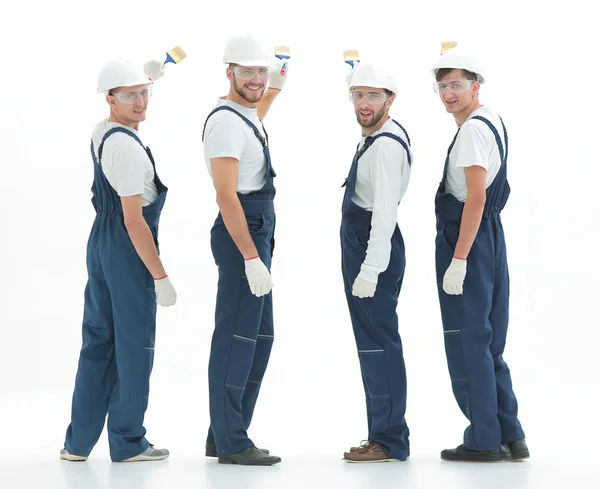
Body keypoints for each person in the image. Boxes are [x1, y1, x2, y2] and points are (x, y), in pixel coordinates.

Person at [60, 58, 176, 463]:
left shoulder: (103, 132)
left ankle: (77, 445)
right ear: (110, 99)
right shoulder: (127, 148)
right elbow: (133, 220)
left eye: (145, 94)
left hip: (101, 243)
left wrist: (146, 79)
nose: (141, 102)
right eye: (130, 96)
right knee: (133, 345)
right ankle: (127, 442)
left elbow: (128, 99)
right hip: (128, 247)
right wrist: (159, 275)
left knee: (98, 342)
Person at [431, 45, 529, 463]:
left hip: (468, 238)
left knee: (468, 339)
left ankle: (484, 440)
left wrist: (458, 259)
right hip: (490, 236)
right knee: (490, 342)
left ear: (475, 86)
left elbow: (474, 199)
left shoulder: (471, 130)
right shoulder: (493, 120)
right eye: (442, 86)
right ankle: (512, 435)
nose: (448, 94)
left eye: (456, 85)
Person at [201, 33, 288, 466]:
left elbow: (259, 109)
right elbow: (225, 195)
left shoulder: (246, 113)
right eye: (248, 71)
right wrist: (251, 257)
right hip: (243, 232)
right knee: (237, 336)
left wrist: (276, 83)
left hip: (258, 226)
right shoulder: (225, 123)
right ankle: (232, 442)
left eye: (262, 71)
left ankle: (224, 430)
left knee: (260, 334)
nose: (256, 79)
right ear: (229, 71)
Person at [340, 61, 413, 463]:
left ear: (391, 100)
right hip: (363, 240)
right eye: (357, 95)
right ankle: (383, 433)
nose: (363, 104)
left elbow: (385, 214)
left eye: (372, 96)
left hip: (371, 244)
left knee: (378, 345)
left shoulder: (384, 145)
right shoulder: (377, 133)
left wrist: (370, 269)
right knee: (375, 342)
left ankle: (388, 440)